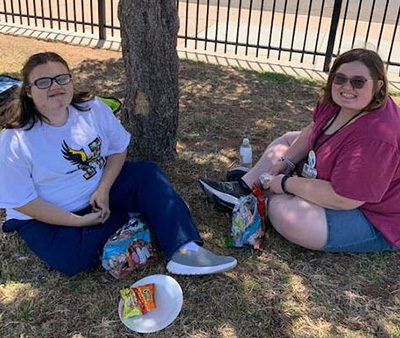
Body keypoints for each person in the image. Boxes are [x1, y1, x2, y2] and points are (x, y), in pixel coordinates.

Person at [0, 52, 237, 276]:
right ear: (29, 91)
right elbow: (24, 202)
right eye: (43, 82)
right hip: (48, 213)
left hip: (101, 192)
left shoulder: (91, 108)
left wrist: (103, 188)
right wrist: (77, 220)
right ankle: (142, 214)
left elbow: (117, 148)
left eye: (62, 78)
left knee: (147, 173)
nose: (55, 86)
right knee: (72, 260)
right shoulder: (15, 139)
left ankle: (185, 251)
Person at [200, 48, 400, 253]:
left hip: (374, 216)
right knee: (286, 140)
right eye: (339, 79)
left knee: (289, 216)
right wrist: (285, 162)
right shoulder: (336, 102)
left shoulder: (376, 136)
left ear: (378, 86)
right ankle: (247, 186)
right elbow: (312, 131)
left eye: (358, 81)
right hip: (337, 185)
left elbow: (345, 198)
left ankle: (260, 195)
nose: (347, 87)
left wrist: (286, 183)